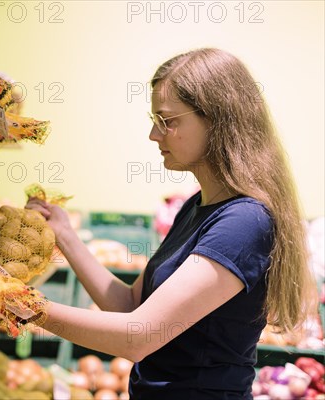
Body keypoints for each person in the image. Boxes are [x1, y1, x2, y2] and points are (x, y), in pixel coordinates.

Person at [25, 48, 317, 399]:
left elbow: (137, 337)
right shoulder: (197, 206)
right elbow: (130, 307)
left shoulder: (244, 222)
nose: (153, 134)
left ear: (217, 119)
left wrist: (25, 307)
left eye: (167, 120)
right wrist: (66, 237)